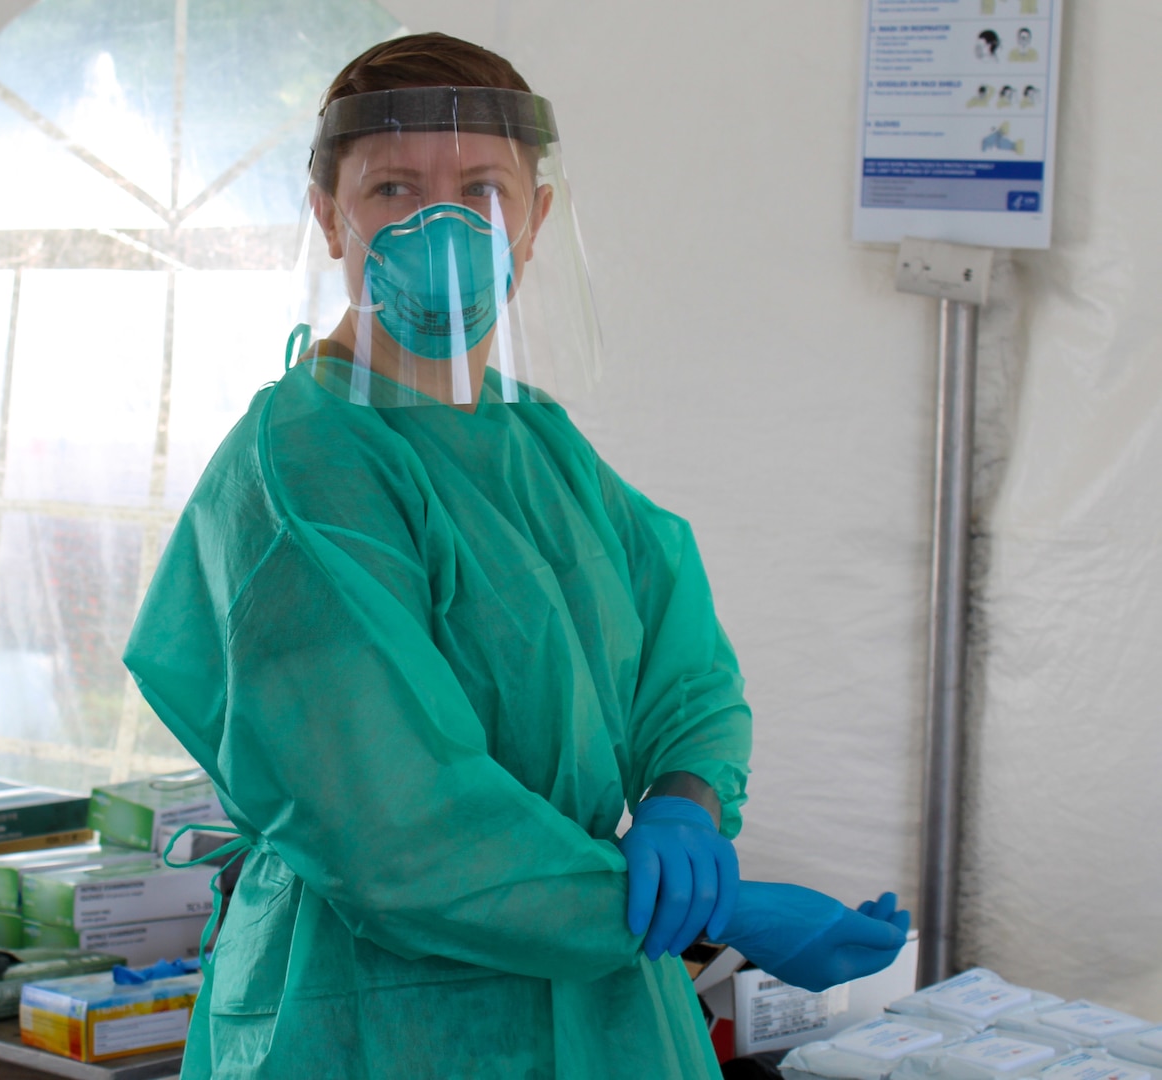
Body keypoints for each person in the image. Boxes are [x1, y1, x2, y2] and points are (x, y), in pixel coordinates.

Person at [125, 33, 907, 1079]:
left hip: (607, 1016)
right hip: (369, 1023)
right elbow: (399, 834)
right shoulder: (300, 471)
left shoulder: (538, 445)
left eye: (481, 189)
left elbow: (680, 665)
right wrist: (710, 912)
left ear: (535, 219)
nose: (441, 223)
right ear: (329, 216)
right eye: (394, 188)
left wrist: (683, 800)